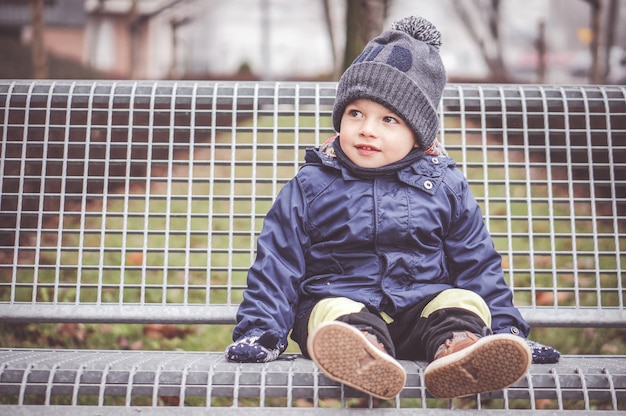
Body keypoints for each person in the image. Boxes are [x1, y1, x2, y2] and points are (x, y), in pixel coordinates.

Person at [225, 16, 560, 400]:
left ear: (417, 135)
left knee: (460, 301)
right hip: (341, 306)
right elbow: (277, 262)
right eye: (356, 113)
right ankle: (363, 356)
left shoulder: (445, 186)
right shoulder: (312, 185)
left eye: (388, 120)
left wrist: (506, 329)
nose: (368, 129)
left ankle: (463, 350)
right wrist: (261, 331)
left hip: (420, 314)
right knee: (331, 311)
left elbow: (477, 263)